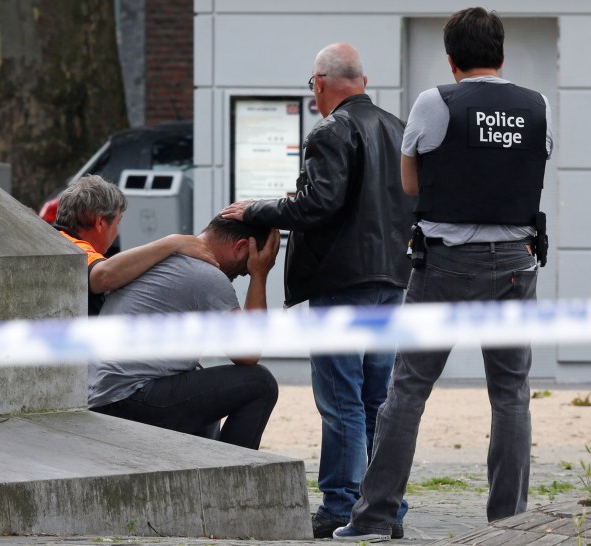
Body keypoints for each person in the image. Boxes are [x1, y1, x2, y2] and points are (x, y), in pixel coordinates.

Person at [334, 7, 554, 542]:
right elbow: (534, 165)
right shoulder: (536, 105)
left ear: (452, 59)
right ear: (501, 54)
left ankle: (375, 517)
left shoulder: (437, 102)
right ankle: (509, 522)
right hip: (515, 265)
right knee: (510, 394)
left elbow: (411, 185)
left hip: (446, 263)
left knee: (408, 389)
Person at [221, 43, 413, 538]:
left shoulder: (331, 130)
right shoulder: (397, 129)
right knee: (377, 400)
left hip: (342, 281)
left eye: (313, 87)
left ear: (322, 83)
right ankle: (384, 509)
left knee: (341, 399)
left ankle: (341, 506)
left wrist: (256, 211)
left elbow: (319, 205)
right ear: (363, 83)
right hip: (392, 279)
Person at [88, 215, 281, 450]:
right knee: (260, 383)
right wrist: (260, 275)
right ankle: (233, 476)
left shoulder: (159, 259)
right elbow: (247, 354)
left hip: (103, 394)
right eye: (244, 270)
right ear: (241, 248)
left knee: (203, 387)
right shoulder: (206, 275)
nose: (242, 274)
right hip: (128, 398)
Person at [54, 174, 217, 315]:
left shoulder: (55, 239)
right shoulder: (76, 248)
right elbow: (103, 276)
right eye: (117, 223)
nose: (117, 232)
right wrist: (173, 243)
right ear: (101, 223)